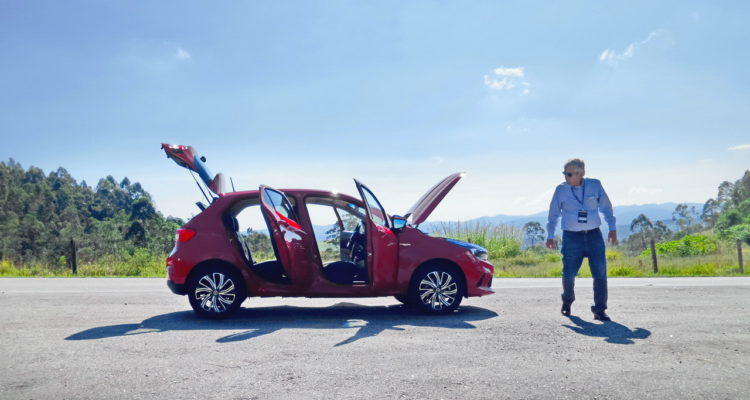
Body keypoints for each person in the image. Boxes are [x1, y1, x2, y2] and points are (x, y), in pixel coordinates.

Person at [546, 158, 617, 321]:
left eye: (570, 174)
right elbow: (553, 214)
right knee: (568, 274)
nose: (566, 177)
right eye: (565, 174)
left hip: (594, 235)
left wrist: (612, 228)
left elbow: (606, 207)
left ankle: (599, 310)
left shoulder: (595, 185)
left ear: (581, 173)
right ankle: (567, 300)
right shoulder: (561, 190)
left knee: (600, 274)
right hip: (571, 237)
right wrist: (550, 235)